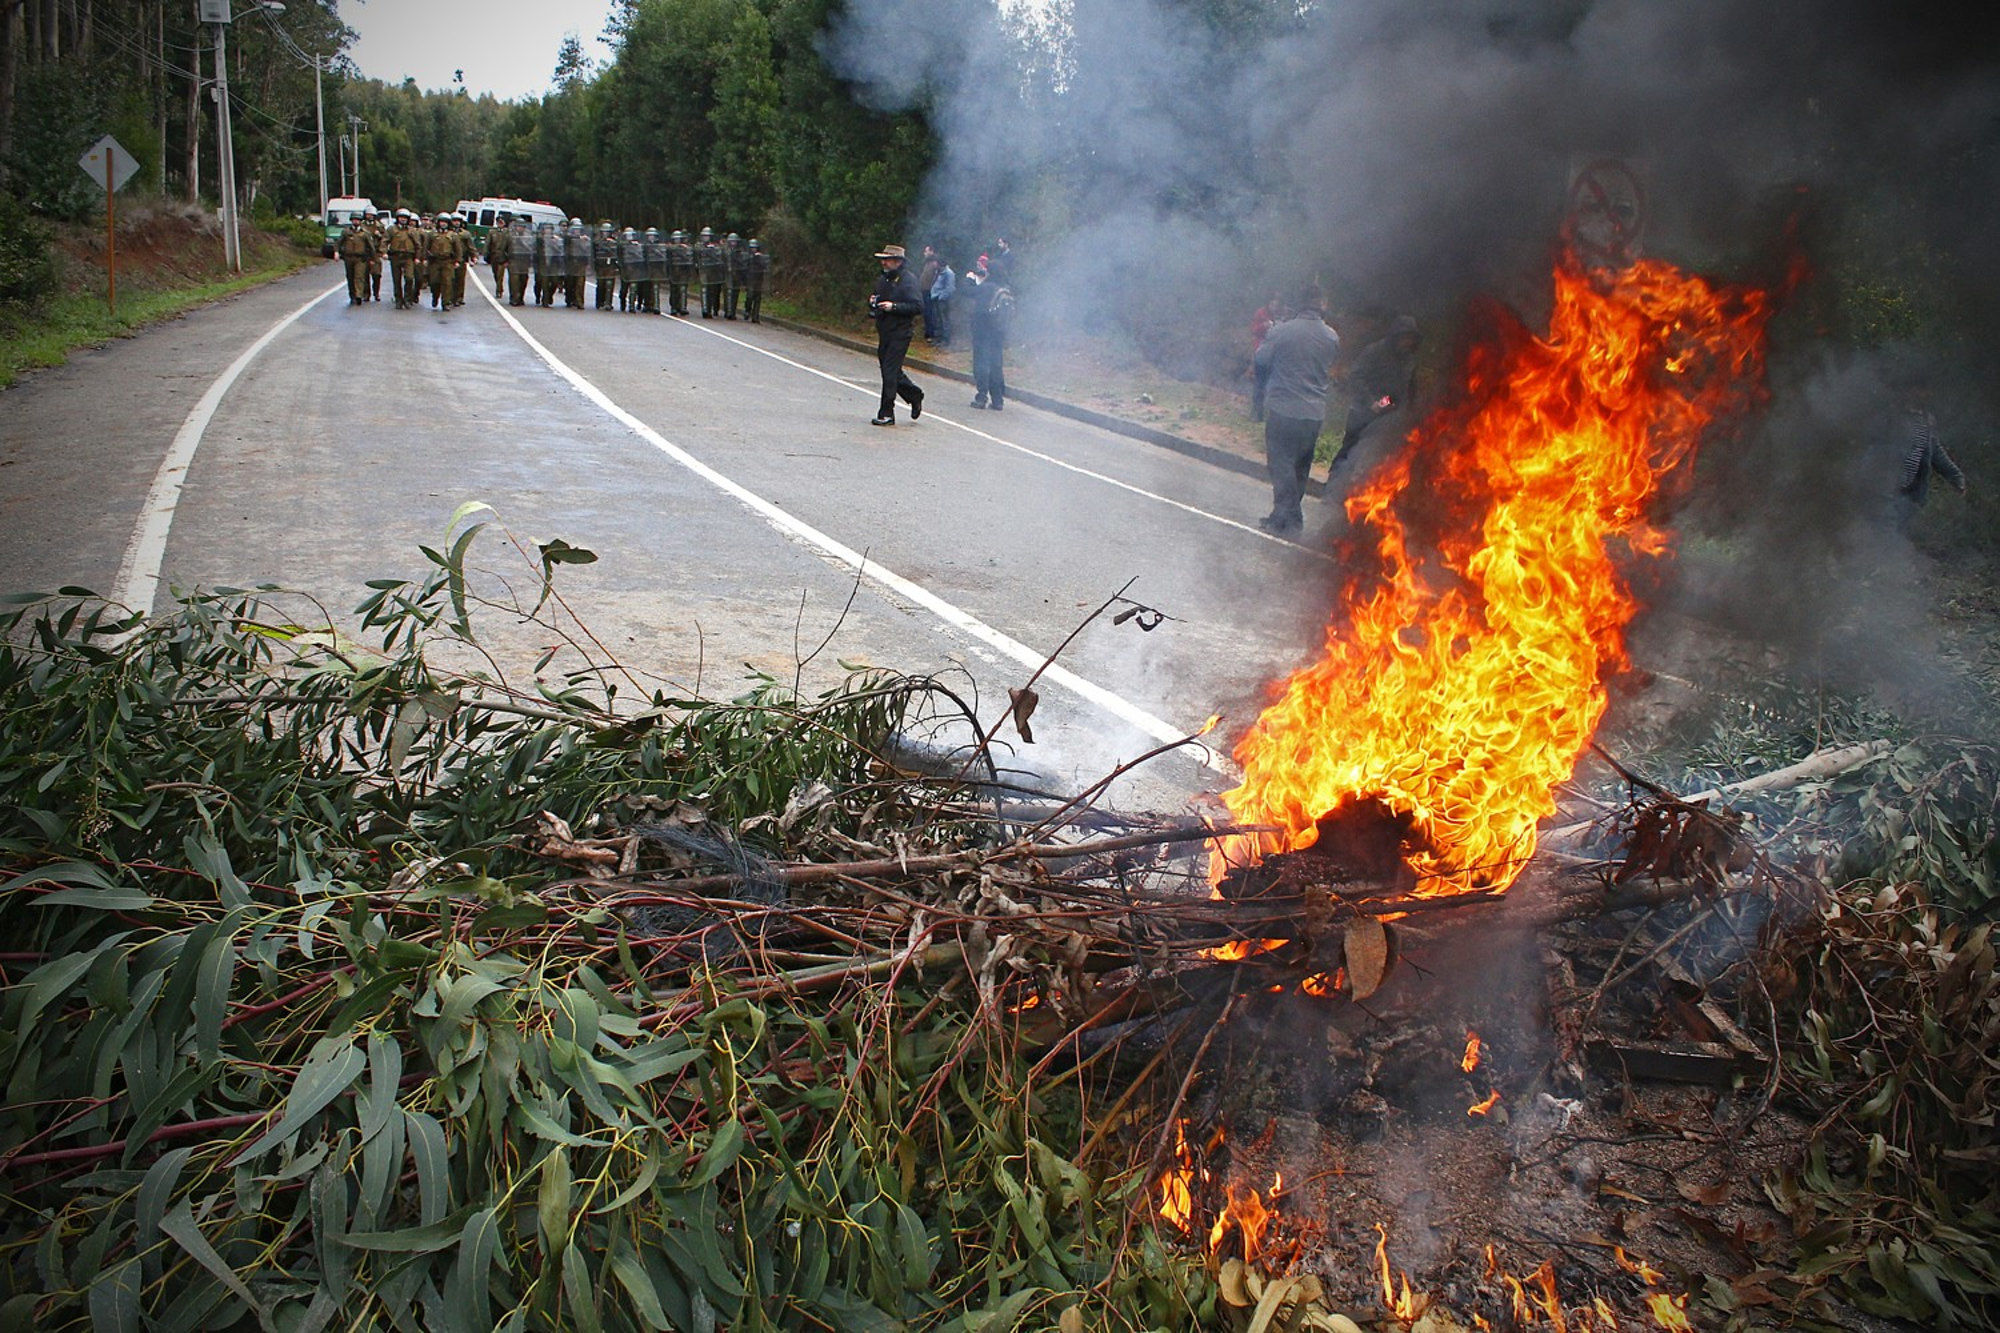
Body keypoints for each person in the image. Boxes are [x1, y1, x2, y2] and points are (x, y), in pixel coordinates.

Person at [1253, 284, 1342, 535]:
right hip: (1313, 413)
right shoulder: (1332, 337)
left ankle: (1289, 517)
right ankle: (1281, 516)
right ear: (1320, 305)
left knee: (1280, 464)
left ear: (1299, 304)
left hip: (1284, 408)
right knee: (1301, 467)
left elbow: (1261, 360)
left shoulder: (1282, 331)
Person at [1331, 314, 1419, 473]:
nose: (1407, 342)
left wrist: (1407, 412)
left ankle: (1362, 488)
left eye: (1410, 339)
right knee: (1349, 450)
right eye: (1404, 337)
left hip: (1390, 415)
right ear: (1396, 336)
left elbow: (1408, 387)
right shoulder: (1375, 351)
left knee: (1381, 458)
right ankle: (1333, 485)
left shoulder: (1409, 359)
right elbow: (1356, 376)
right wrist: (1371, 401)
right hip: (1363, 412)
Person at [1895, 379, 1969, 530]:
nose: (1926, 394)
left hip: (1912, 492)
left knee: (1899, 534)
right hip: (1886, 488)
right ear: (1909, 390)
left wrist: (1956, 477)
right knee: (1883, 531)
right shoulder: (1892, 416)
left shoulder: (1926, 420)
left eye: (1927, 390)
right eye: (1921, 389)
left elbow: (1935, 451)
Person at [867, 244, 925, 426]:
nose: (884, 263)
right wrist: (873, 303)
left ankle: (887, 413)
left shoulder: (909, 280)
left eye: (887, 259)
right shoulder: (883, 279)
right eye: (883, 259)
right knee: (889, 369)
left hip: (901, 332)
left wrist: (894, 307)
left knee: (889, 371)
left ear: (898, 262)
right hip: (885, 330)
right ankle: (914, 395)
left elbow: (917, 306)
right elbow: (876, 298)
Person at [966, 261, 1012, 411]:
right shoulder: (1005, 288)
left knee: (981, 363)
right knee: (996, 364)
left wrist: (970, 279)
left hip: (982, 331)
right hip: (998, 332)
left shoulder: (985, 287)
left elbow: (967, 291)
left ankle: (981, 397)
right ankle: (998, 400)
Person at [1248, 291, 1287, 422]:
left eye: (1277, 304)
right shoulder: (1261, 313)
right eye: (1272, 304)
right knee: (1260, 383)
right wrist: (1264, 326)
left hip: (1278, 354)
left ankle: (1272, 414)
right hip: (1262, 352)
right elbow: (1253, 330)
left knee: (1275, 384)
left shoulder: (1284, 315)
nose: (1274, 307)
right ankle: (1257, 412)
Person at [385, 213, 421, 309]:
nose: (403, 219)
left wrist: (417, 257)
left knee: (409, 278)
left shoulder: (412, 231)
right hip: (395, 256)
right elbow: (385, 241)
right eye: (401, 217)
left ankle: (408, 299)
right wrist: (384, 252)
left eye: (405, 218)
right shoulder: (392, 229)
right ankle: (398, 299)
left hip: (408, 257)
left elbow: (418, 245)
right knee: (396, 279)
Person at [337, 218, 374, 305]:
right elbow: (339, 243)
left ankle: (359, 295)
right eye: (354, 220)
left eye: (357, 220)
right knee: (350, 277)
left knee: (359, 276)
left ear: (360, 221)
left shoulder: (365, 233)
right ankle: (352, 295)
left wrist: (372, 258)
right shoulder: (346, 232)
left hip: (360, 259)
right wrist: (336, 252)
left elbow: (371, 246)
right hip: (348, 258)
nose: (356, 221)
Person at [698, 228, 726, 318]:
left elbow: (721, 256)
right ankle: (705, 310)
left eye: (707, 236)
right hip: (704, 270)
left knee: (714, 291)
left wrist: (714, 248)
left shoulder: (716, 246)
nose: (705, 238)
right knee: (704, 289)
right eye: (704, 236)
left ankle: (714, 309)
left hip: (714, 271)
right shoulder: (698, 246)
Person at [928, 256, 956, 348]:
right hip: (935, 298)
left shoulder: (949, 273)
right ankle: (938, 339)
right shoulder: (938, 271)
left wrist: (941, 297)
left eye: (935, 262)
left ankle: (945, 340)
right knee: (937, 319)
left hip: (943, 300)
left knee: (944, 320)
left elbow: (950, 288)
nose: (934, 264)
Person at [667, 229, 693, 316]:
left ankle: (683, 307)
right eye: (676, 239)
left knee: (683, 289)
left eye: (679, 239)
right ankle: (673, 307)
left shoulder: (686, 248)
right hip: (673, 271)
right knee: (674, 290)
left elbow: (689, 257)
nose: (677, 241)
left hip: (683, 271)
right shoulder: (670, 248)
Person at [743, 238, 769, 323]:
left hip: (758, 279)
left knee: (757, 298)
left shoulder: (761, 257)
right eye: (751, 248)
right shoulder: (747, 256)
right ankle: (747, 310)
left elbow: (765, 266)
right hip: (750, 280)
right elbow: (744, 267)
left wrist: (759, 257)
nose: (753, 250)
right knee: (749, 297)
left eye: (754, 248)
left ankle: (755, 317)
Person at [486, 215, 513, 296]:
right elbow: (488, 243)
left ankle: (499, 291)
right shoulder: (492, 232)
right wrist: (486, 253)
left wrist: (508, 258)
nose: (500, 223)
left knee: (500, 274)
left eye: (501, 222)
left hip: (503, 257)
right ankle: (499, 287)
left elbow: (510, 245)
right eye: (498, 222)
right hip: (494, 256)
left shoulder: (508, 232)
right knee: (495, 273)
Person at [919, 245, 941, 341]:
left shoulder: (934, 263)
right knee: (926, 312)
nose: (924, 253)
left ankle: (932, 334)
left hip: (930, 291)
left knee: (931, 313)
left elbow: (936, 278)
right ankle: (928, 332)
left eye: (926, 251)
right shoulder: (927, 263)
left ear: (931, 251)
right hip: (924, 290)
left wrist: (934, 289)